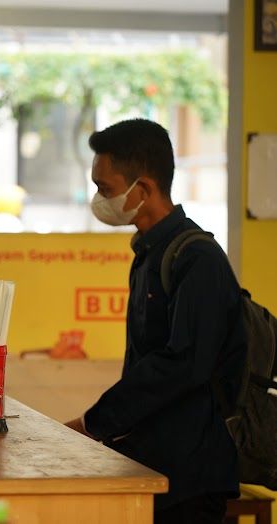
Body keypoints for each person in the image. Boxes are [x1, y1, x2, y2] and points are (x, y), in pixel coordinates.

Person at [65, 119, 246, 524]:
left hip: (191, 477)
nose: (98, 199)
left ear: (142, 189)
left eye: (105, 189)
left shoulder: (197, 259)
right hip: (151, 463)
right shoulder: (148, 254)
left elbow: (183, 365)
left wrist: (94, 422)